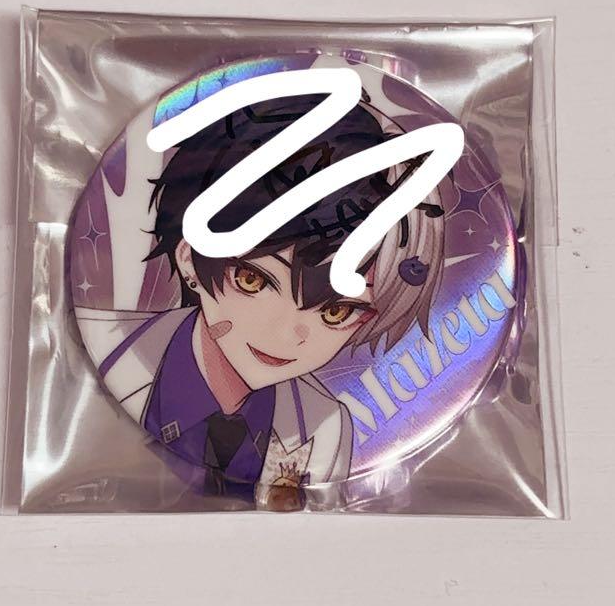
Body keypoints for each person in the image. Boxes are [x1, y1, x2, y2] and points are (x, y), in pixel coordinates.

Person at [74, 89, 446, 508]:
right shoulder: (106, 352)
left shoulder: (326, 428)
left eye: (336, 311)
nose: (287, 333)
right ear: (190, 259)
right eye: (253, 280)